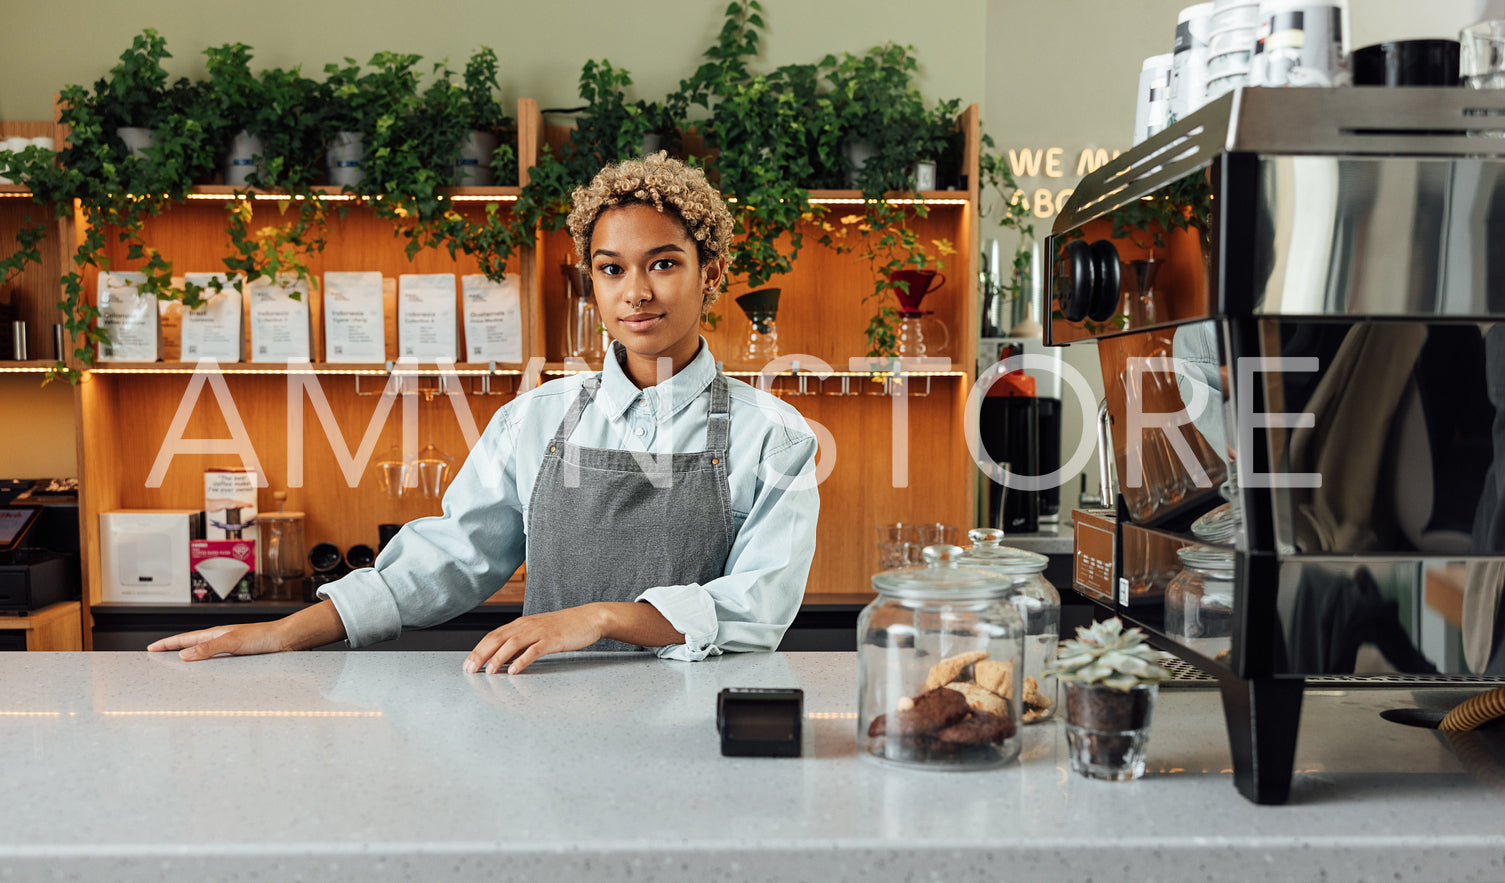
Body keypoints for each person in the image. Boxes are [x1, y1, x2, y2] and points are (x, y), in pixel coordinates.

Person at [149, 153, 821, 673]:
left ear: (713, 271)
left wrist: (598, 618)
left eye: (664, 263)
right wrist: (281, 632)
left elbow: (757, 607)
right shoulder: (533, 420)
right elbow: (451, 557)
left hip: (697, 727)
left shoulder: (774, 435)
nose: (636, 292)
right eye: (611, 269)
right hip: (548, 715)